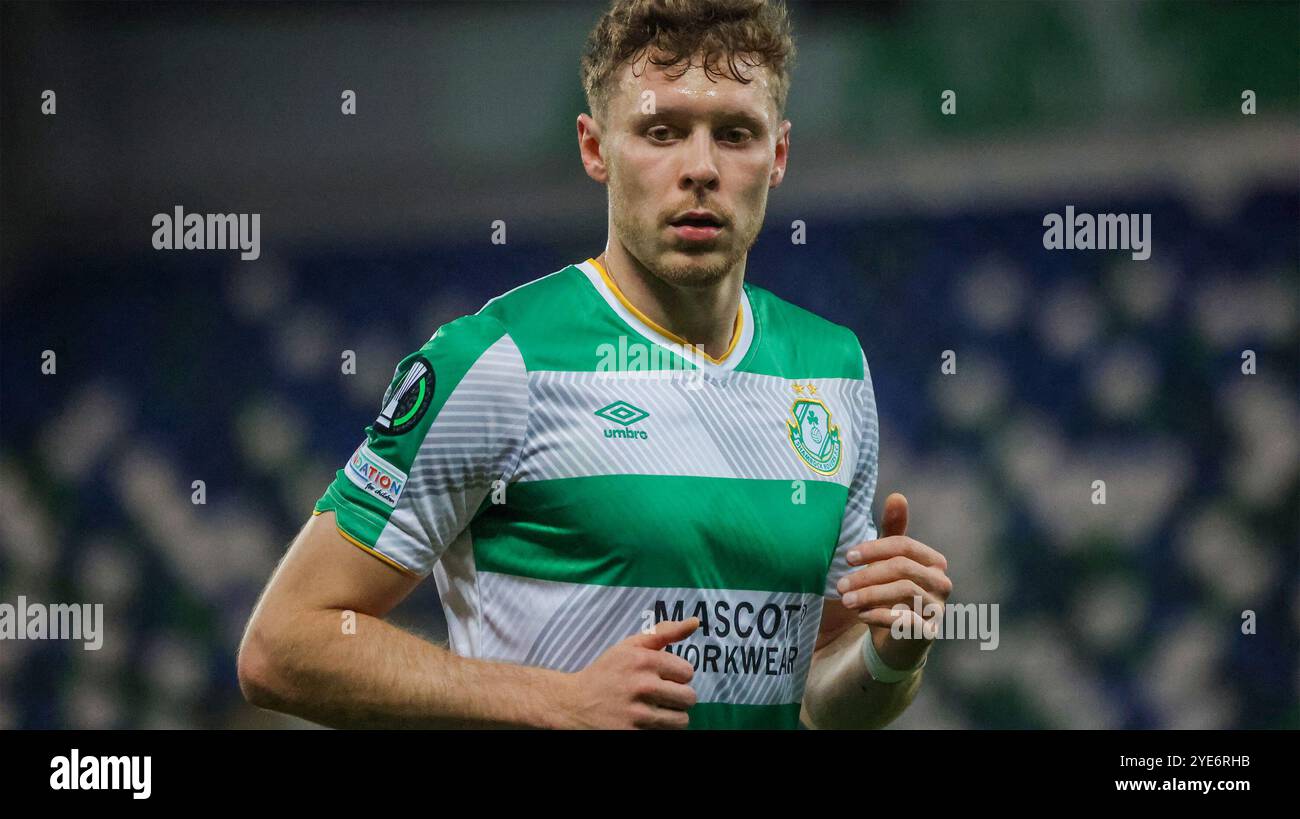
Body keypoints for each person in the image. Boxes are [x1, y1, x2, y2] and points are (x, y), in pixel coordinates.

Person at [237, 0, 952, 729]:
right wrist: (558, 701)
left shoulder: (831, 370)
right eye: (661, 131)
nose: (700, 169)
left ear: (778, 154)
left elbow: (813, 706)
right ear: (595, 147)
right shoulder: (500, 362)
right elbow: (283, 643)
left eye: (735, 134)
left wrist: (892, 654)